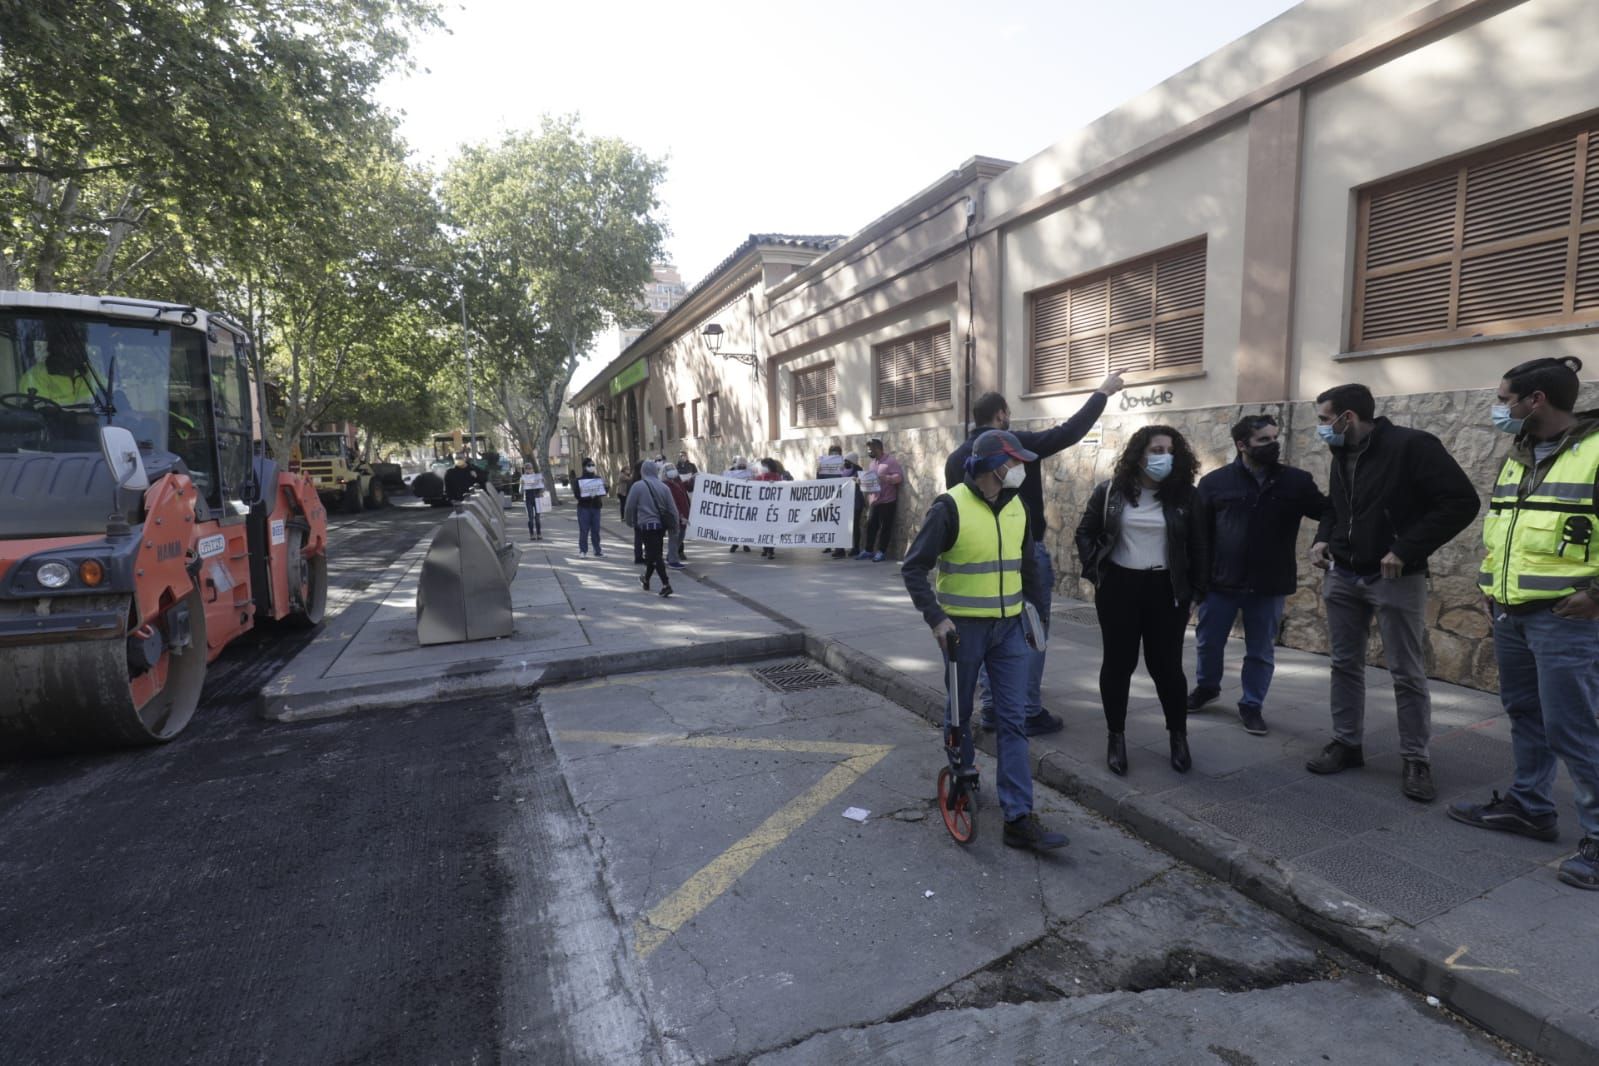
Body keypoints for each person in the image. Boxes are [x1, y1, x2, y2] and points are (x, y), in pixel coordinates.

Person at [1449, 356, 1599, 890]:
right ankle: (1530, 808)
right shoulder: (1519, 454)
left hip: (1567, 620)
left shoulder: (1595, 451)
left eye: (1504, 398)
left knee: (1576, 729)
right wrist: (1490, 587)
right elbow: (1504, 531)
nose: (1499, 408)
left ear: (1535, 400)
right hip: (1512, 613)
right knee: (1525, 713)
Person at [1305, 383, 1479, 802]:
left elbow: (1461, 502)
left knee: (1406, 672)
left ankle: (1416, 760)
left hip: (1396, 578)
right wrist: (1324, 537)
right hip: (1343, 574)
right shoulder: (1341, 450)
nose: (1321, 428)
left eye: (1325, 419)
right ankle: (1346, 744)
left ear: (1348, 417)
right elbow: (1336, 507)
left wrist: (1406, 548)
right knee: (1344, 664)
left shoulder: (1412, 446)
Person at [901, 430, 1069, 852]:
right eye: (1015, 463)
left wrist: (1033, 615)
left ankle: (1018, 817)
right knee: (959, 713)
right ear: (994, 466)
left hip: (1009, 629)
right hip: (963, 630)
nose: (1022, 470)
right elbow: (913, 567)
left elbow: (1027, 568)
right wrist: (937, 618)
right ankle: (964, 776)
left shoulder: (1019, 508)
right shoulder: (949, 507)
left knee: (1013, 720)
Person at [945, 374, 1125, 736]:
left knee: (992, 630)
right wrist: (1102, 393)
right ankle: (1027, 709)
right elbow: (1068, 432)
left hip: (978, 557)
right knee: (1031, 628)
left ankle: (993, 709)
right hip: (1025, 556)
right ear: (1002, 414)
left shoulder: (956, 458)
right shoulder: (1017, 443)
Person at [1074, 426, 1209, 777]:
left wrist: (1196, 592)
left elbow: (1200, 547)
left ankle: (1178, 736)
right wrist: (1097, 571)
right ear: (1139, 454)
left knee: (1166, 667)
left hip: (1166, 588)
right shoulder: (1110, 492)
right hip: (1119, 586)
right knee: (1118, 665)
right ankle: (1115, 737)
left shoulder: (1186, 498)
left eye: (1169, 450)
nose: (1163, 456)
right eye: (1155, 449)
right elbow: (1085, 532)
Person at [1188, 414, 1328, 735]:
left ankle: (1252, 704)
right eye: (1263, 440)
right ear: (1241, 445)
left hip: (1269, 584)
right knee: (1208, 642)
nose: (1273, 444)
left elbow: (1329, 511)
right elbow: (1198, 536)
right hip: (1220, 583)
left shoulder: (1296, 482)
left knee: (1260, 651)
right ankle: (1207, 687)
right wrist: (1197, 584)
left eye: (1274, 438)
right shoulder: (1214, 483)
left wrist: (1323, 539)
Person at [624, 460, 679, 598]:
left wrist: (629, 521)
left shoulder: (638, 486)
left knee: (655, 556)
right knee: (653, 554)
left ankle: (666, 584)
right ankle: (646, 579)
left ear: (643, 471)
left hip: (646, 526)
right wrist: (675, 526)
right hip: (660, 527)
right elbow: (673, 509)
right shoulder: (664, 487)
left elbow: (629, 506)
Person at [857, 437, 905, 562]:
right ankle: (868, 550)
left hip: (888, 501)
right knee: (871, 526)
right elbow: (871, 479)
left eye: (870, 448)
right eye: (868, 449)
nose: (869, 451)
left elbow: (899, 477)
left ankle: (881, 552)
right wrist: (861, 481)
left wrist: (887, 478)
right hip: (875, 501)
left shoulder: (890, 461)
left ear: (878, 448)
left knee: (885, 527)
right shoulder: (873, 464)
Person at [18, 347, 99, 406]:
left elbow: (110, 395)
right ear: (54, 349)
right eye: (65, 346)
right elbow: (38, 414)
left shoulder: (90, 373)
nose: (73, 351)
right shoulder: (35, 375)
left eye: (78, 344)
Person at [662, 464, 691, 570]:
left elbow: (687, 486)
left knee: (680, 537)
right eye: (669, 470)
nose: (672, 471)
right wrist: (680, 516)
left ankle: (670, 556)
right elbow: (672, 503)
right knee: (674, 538)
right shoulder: (666, 485)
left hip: (683, 515)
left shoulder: (678, 482)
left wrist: (694, 479)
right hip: (675, 517)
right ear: (664, 472)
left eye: (673, 469)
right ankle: (673, 561)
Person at [575, 457, 605, 557]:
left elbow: (602, 493)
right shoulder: (579, 480)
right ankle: (583, 551)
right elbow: (577, 495)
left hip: (596, 507)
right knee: (584, 530)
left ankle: (597, 550)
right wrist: (588, 497)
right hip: (584, 508)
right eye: (589, 465)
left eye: (593, 465)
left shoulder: (598, 479)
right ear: (584, 467)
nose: (591, 467)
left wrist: (606, 488)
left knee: (596, 530)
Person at [755, 458, 784, 559]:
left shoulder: (776, 477)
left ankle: (769, 550)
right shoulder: (760, 477)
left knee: (769, 529)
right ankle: (767, 549)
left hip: (772, 508)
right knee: (766, 529)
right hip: (764, 507)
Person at [726, 457, 753, 553]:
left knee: (745, 524)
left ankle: (746, 543)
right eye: (740, 463)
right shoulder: (730, 473)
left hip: (746, 502)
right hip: (735, 502)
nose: (742, 465)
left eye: (743, 463)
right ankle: (735, 543)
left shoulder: (749, 472)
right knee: (735, 524)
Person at [519, 461, 546, 540]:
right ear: (525, 470)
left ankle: (539, 534)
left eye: (530, 468)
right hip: (528, 499)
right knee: (530, 518)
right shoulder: (523, 478)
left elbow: (543, 489)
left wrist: (542, 482)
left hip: (537, 499)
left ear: (532, 469)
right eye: (526, 469)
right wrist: (522, 484)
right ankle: (531, 534)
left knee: (537, 518)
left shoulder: (537, 476)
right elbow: (520, 492)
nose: (528, 470)